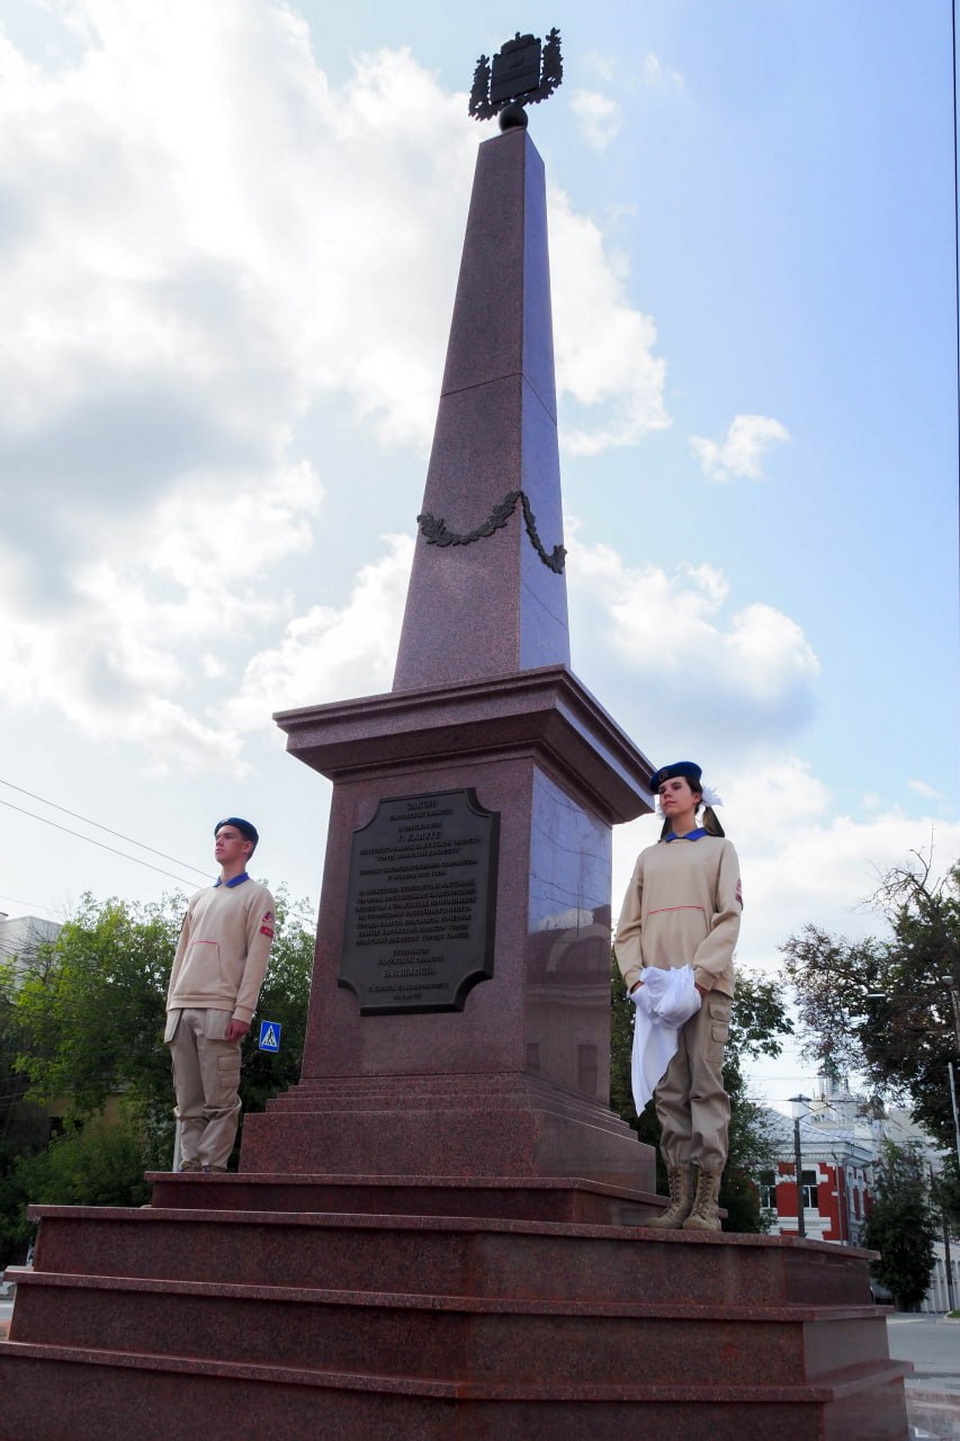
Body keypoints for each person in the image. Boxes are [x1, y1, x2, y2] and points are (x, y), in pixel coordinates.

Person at [614, 761, 742, 1231]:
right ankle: (678, 1202)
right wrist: (635, 981)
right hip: (656, 995)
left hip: (704, 989)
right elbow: (627, 929)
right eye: (662, 790)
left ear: (696, 797)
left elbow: (729, 917)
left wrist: (704, 976)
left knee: (705, 1088)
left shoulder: (719, 849)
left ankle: (707, 1206)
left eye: (675, 788)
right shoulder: (648, 858)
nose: (666, 795)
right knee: (670, 1094)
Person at [164, 817, 276, 1173]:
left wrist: (243, 1011)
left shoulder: (257, 897)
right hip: (183, 1008)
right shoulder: (199, 897)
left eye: (228, 837)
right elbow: (180, 955)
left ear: (247, 847)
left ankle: (212, 1172)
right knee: (188, 1103)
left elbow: (257, 959)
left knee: (220, 1100)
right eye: (217, 837)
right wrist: (171, 1006)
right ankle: (189, 1168)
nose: (219, 842)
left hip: (220, 1009)